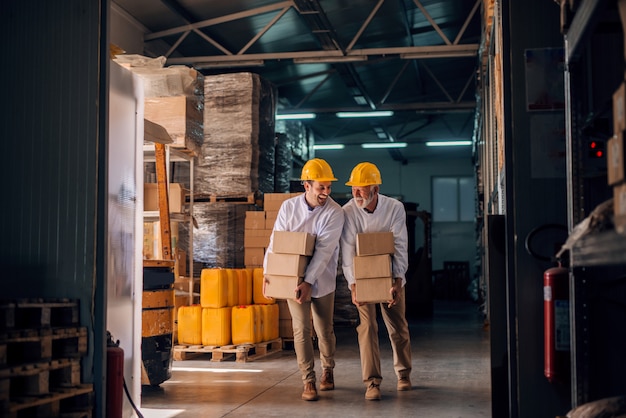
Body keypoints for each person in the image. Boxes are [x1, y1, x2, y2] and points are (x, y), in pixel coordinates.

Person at [263, 158, 345, 401]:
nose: (326, 192)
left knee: (324, 330)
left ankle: (327, 369)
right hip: (291, 276)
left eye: (329, 187)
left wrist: (308, 282)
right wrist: (268, 274)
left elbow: (324, 252)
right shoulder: (289, 208)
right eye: (321, 187)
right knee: (301, 329)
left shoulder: (335, 212)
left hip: (323, 278)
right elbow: (276, 243)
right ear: (306, 186)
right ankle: (308, 380)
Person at [340, 162, 412, 401]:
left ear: (376, 189)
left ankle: (403, 373)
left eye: (362, 189)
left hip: (390, 274)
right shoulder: (349, 211)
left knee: (397, 326)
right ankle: (372, 382)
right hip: (362, 278)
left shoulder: (394, 208)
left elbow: (400, 245)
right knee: (367, 326)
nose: (357, 193)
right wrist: (353, 284)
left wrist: (398, 279)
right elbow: (348, 250)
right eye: (354, 189)